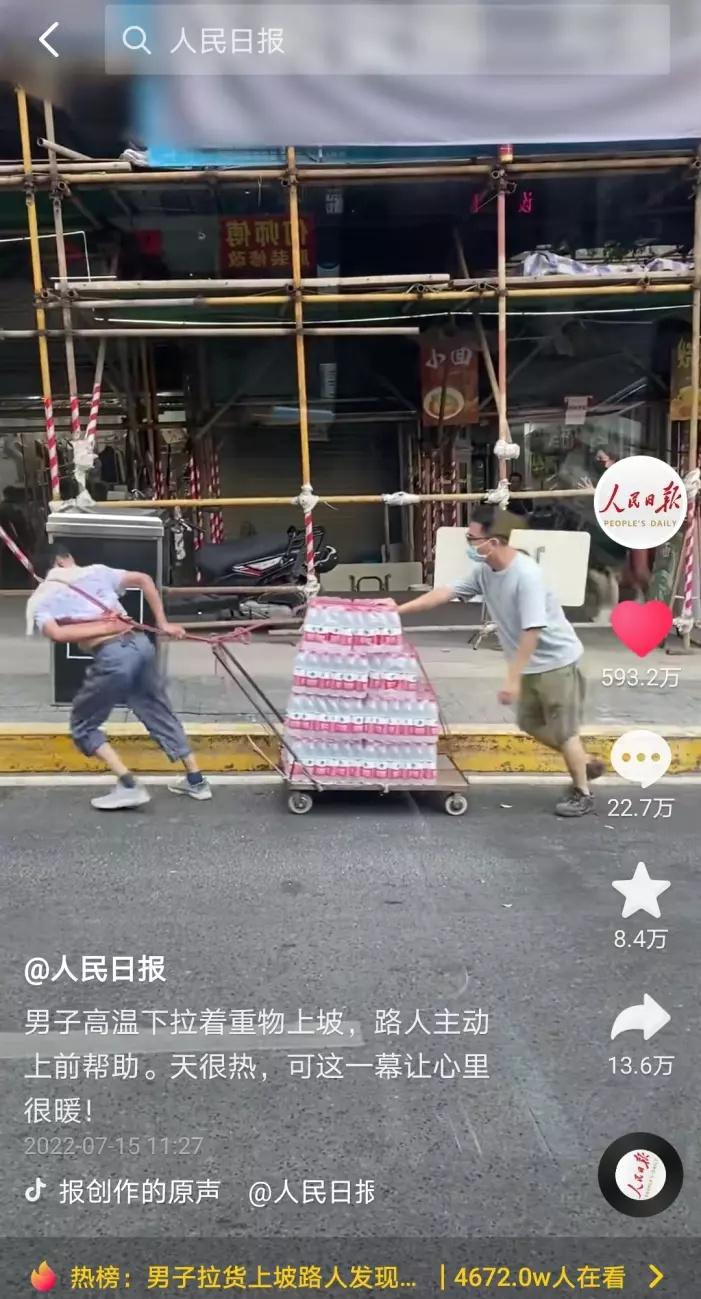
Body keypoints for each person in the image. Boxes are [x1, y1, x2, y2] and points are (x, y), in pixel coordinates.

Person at [400, 504, 604, 817]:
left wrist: (512, 678)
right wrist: (398, 610)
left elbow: (532, 630)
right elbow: (445, 593)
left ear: (493, 542)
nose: (469, 544)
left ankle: (582, 793)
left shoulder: (526, 575)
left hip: (557, 663)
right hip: (531, 665)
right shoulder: (486, 571)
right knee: (530, 724)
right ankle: (584, 762)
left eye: (472, 539)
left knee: (564, 731)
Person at [28, 542, 212, 811]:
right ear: (66, 558)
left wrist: (103, 628)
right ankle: (196, 781)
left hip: (114, 656)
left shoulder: (42, 598)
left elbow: (57, 634)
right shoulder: (98, 572)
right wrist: (162, 623)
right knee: (156, 709)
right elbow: (144, 579)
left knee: (83, 724)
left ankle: (128, 785)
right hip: (140, 644)